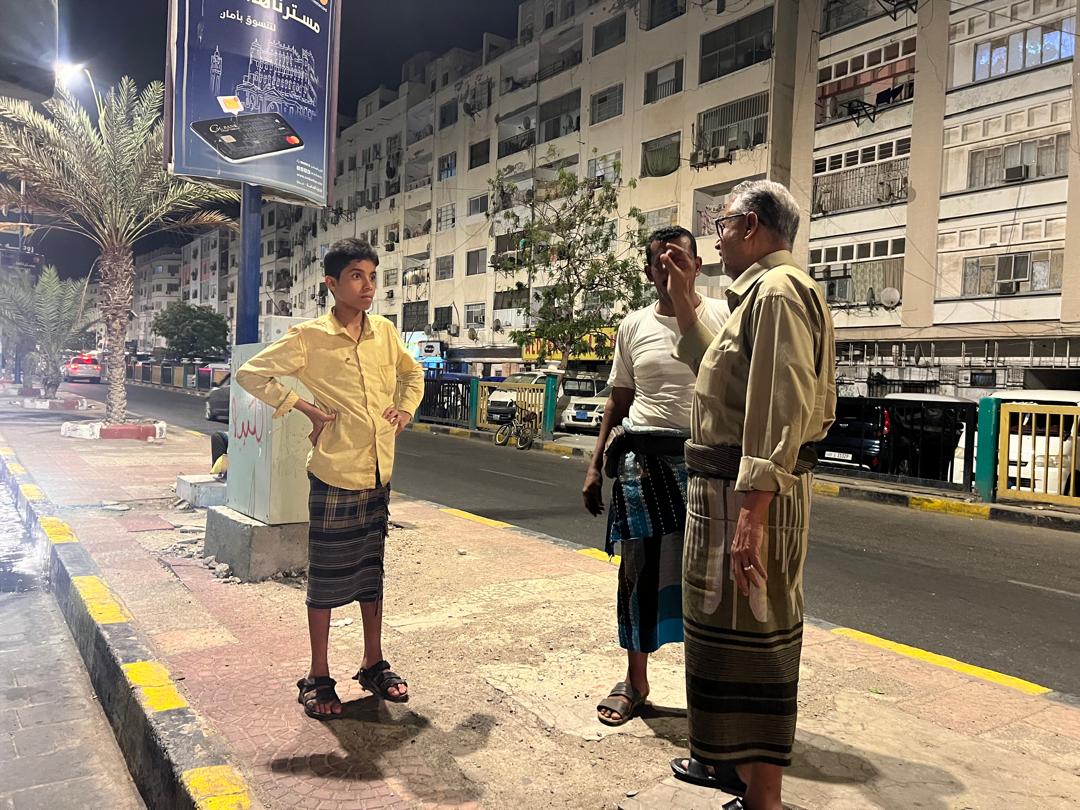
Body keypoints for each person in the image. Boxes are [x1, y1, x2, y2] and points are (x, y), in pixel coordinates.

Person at [662, 181, 836, 809]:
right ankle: (733, 768)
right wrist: (684, 298)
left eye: (724, 223)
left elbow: (777, 404)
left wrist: (751, 515)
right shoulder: (761, 293)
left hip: (745, 498)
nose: (717, 236)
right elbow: (722, 374)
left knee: (758, 637)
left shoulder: (780, 292)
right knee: (725, 634)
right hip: (728, 494)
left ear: (753, 225)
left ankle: (763, 797)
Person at [235, 238, 424, 720]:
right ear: (332, 284)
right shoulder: (309, 337)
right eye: (357, 276)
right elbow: (251, 374)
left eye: (372, 276)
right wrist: (305, 408)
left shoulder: (385, 332)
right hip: (335, 473)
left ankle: (373, 663)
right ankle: (317, 675)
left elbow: (413, 374)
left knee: (371, 572)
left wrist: (404, 411)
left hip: (378, 472)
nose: (368, 285)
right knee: (325, 578)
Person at [584, 226, 729, 726]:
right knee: (638, 574)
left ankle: (708, 687)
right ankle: (636, 681)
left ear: (697, 266)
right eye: (659, 262)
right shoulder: (633, 325)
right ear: (648, 272)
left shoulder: (724, 315)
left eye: (678, 259)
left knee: (710, 578)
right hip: (641, 462)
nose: (669, 269)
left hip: (704, 464)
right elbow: (619, 399)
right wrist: (594, 463)